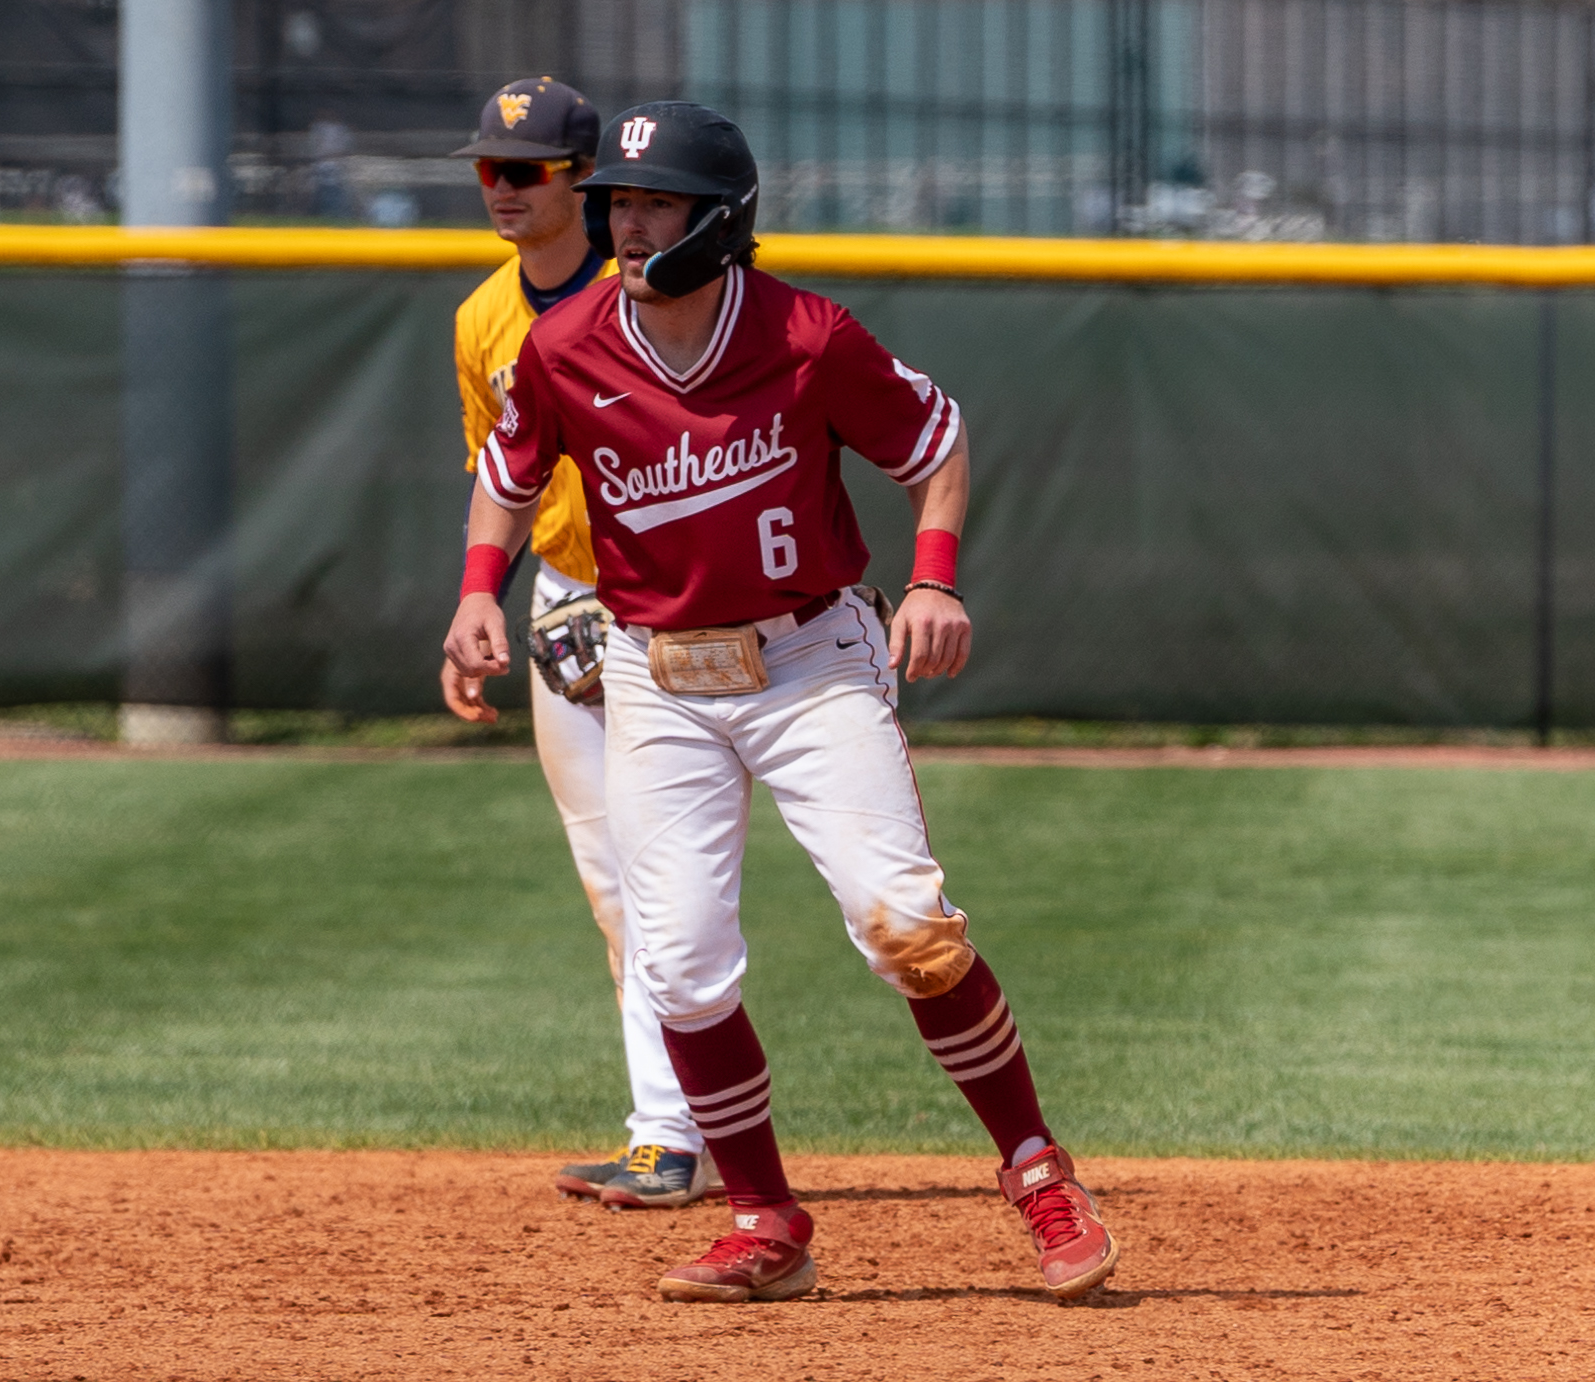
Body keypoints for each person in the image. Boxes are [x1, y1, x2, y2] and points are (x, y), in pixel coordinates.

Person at [443, 101, 1121, 1304]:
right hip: (655, 672)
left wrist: (935, 578)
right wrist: (477, 595)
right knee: (683, 966)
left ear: (722, 221)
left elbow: (938, 442)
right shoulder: (567, 347)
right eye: (618, 202)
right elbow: (507, 472)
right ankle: (766, 1220)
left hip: (810, 661)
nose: (628, 223)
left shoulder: (809, 336)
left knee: (906, 927)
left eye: (655, 203)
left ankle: (1036, 1169)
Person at [443, 78, 718, 1210]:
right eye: (489, 170)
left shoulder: (660, 290)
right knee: (617, 883)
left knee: (710, 886)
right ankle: (668, 1132)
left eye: (527, 170)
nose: (502, 190)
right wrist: (477, 604)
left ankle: (697, 1126)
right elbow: (500, 478)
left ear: (583, 183)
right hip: (569, 599)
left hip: (694, 606)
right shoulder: (480, 322)